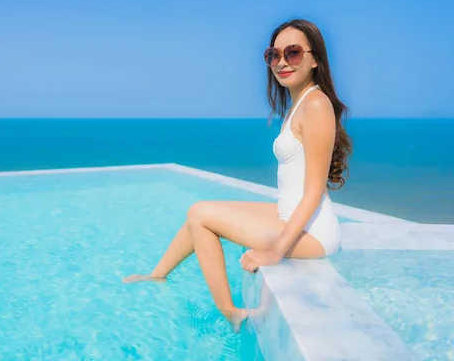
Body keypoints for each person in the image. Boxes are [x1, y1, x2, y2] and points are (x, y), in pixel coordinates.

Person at [123, 18, 353, 332]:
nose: (281, 62)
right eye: (274, 55)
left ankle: (231, 312)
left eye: (294, 53)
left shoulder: (315, 104)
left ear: (315, 59)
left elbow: (313, 192)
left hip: (316, 235)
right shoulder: (299, 103)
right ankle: (158, 274)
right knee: (202, 212)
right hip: (291, 216)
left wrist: (275, 251)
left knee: (201, 213)